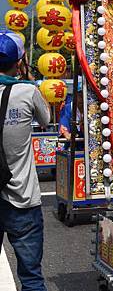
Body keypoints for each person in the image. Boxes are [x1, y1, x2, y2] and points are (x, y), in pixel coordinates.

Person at [0, 32, 51, 291]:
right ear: (19, 61)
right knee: (31, 278)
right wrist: (30, 78)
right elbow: (45, 119)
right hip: (22, 198)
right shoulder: (27, 92)